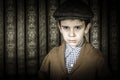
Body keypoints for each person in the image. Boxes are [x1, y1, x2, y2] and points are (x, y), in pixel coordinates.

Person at [38, 0, 111, 80]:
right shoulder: (52, 55)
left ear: (86, 28)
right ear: (60, 28)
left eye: (77, 27)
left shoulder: (97, 58)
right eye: (66, 28)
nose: (71, 34)